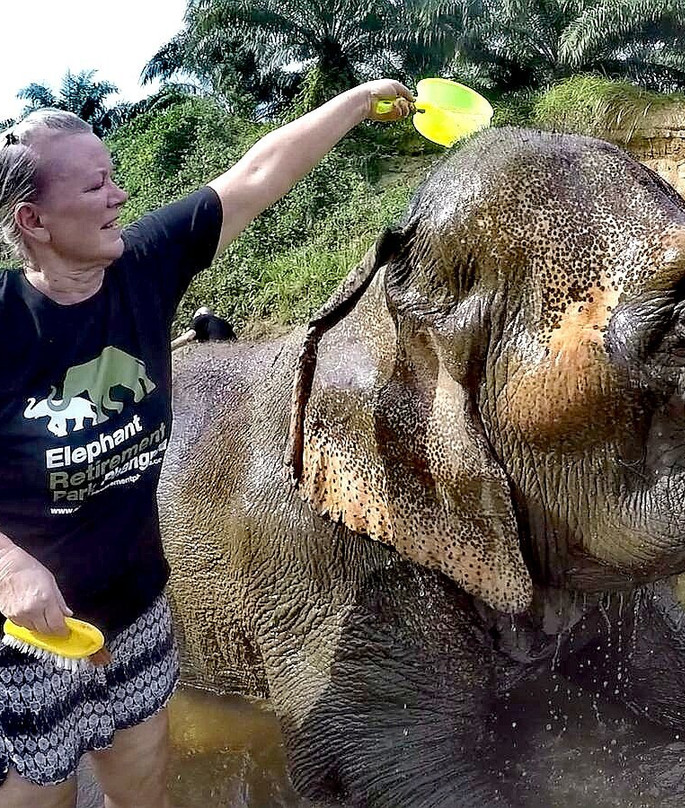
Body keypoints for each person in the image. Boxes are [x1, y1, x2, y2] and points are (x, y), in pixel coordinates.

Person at [0, 78, 414, 808]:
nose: (118, 196)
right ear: (34, 219)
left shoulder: (143, 267)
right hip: (28, 636)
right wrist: (7, 563)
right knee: (40, 797)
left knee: (144, 781)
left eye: (115, 176)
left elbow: (258, 173)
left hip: (134, 608)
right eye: (95, 186)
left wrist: (360, 101)